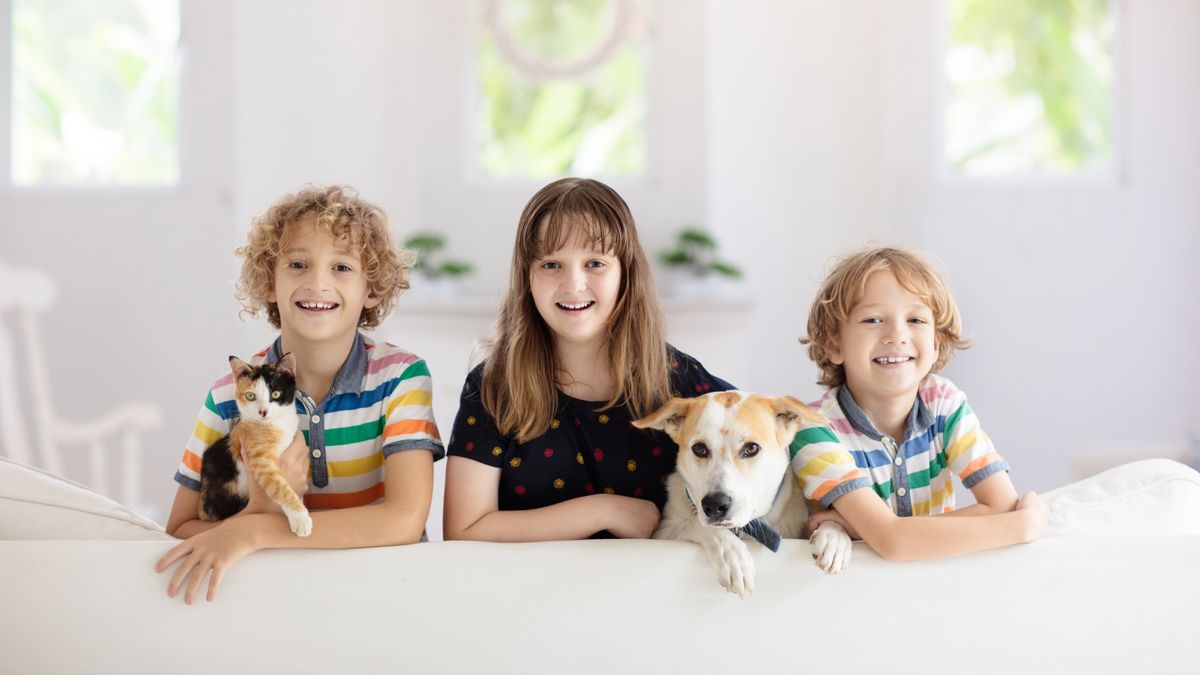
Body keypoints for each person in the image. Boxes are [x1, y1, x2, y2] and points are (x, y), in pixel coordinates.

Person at [156, 186, 443, 603]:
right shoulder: (228, 395)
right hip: (279, 600)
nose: (317, 283)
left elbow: (403, 521)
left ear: (372, 290)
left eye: (342, 268)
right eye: (297, 264)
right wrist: (259, 509)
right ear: (268, 282)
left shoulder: (400, 378)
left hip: (386, 594)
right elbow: (179, 529)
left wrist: (257, 530)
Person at [442, 177, 732, 542]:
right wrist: (603, 510)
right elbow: (462, 531)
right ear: (526, 276)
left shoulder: (677, 379)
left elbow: (775, 428)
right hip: (524, 595)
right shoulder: (493, 386)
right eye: (551, 264)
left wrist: (829, 501)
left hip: (653, 595)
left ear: (626, 273)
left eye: (595, 263)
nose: (573, 284)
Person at [794, 247, 1047, 562]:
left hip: (936, 583)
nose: (897, 334)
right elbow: (894, 543)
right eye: (873, 319)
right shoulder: (813, 429)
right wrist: (1021, 526)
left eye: (915, 319)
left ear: (935, 342)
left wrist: (872, 530)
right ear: (834, 344)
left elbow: (1000, 505)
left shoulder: (943, 404)